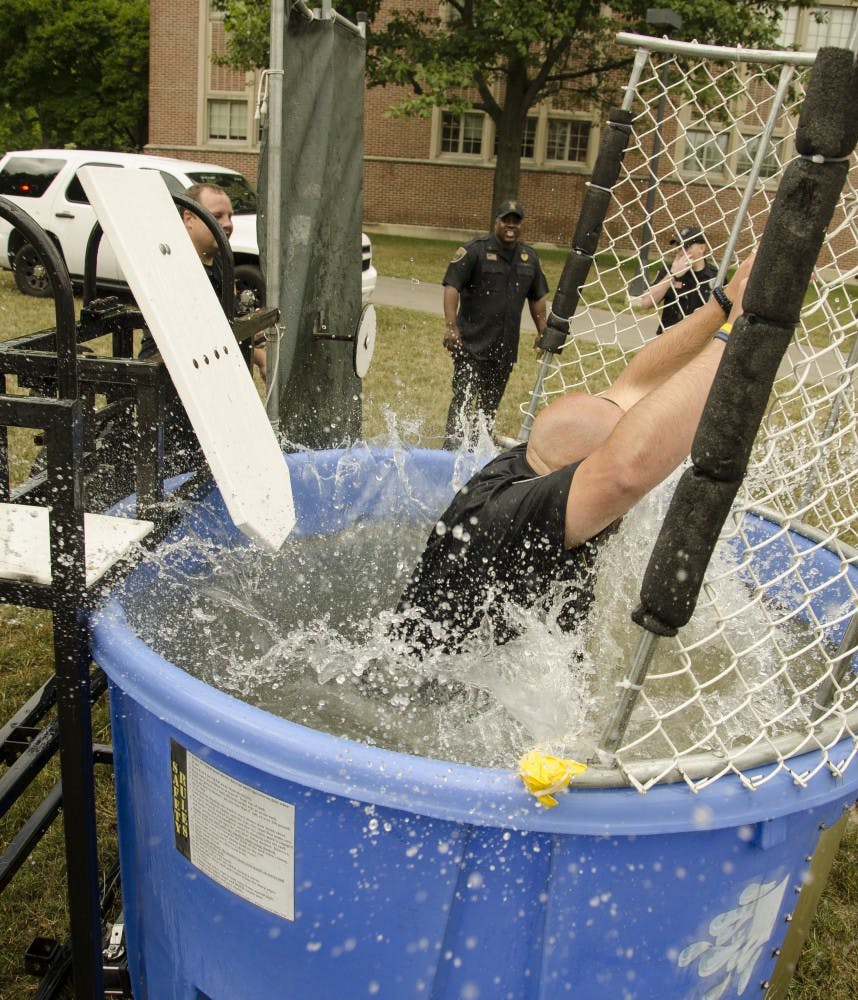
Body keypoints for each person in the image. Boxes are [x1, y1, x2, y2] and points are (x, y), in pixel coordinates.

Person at [392, 252, 756, 656]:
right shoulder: (515, 515)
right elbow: (625, 471)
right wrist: (734, 337)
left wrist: (723, 304)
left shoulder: (533, 461)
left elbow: (635, 384)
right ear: (577, 474)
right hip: (434, 693)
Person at [442, 200, 549, 449]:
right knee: (463, 401)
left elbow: (537, 299)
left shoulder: (529, 258)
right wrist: (451, 326)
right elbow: (452, 287)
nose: (511, 225)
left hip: (503, 350)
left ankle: (480, 450)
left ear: (522, 224)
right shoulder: (475, 251)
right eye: (506, 220)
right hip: (471, 344)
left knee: (489, 407)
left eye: (516, 221)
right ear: (496, 221)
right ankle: (450, 451)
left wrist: (543, 331)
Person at [632, 225, 718, 335]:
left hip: (700, 340)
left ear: (702, 248)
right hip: (668, 338)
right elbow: (646, 302)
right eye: (679, 247)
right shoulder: (668, 271)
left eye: (686, 247)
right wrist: (672, 275)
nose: (681, 252)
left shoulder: (715, 276)